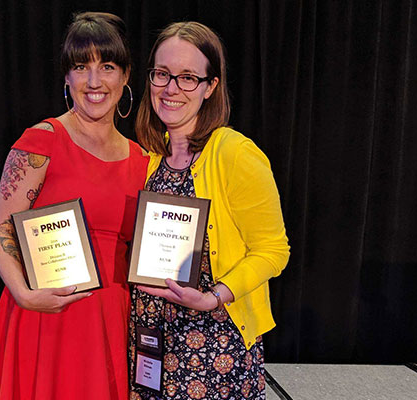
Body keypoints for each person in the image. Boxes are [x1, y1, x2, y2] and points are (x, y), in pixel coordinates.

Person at [0, 12, 148, 400]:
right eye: (80, 66)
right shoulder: (42, 140)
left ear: (125, 77)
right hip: (46, 314)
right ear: (67, 78)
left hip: (113, 319)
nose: (94, 81)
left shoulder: (142, 159)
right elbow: (0, 230)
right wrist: (24, 295)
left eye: (106, 66)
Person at [129, 21, 290, 399]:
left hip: (215, 346)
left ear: (210, 86)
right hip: (151, 340)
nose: (171, 88)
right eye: (162, 74)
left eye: (188, 78)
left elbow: (273, 250)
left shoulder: (234, 153)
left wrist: (215, 296)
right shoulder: (148, 157)